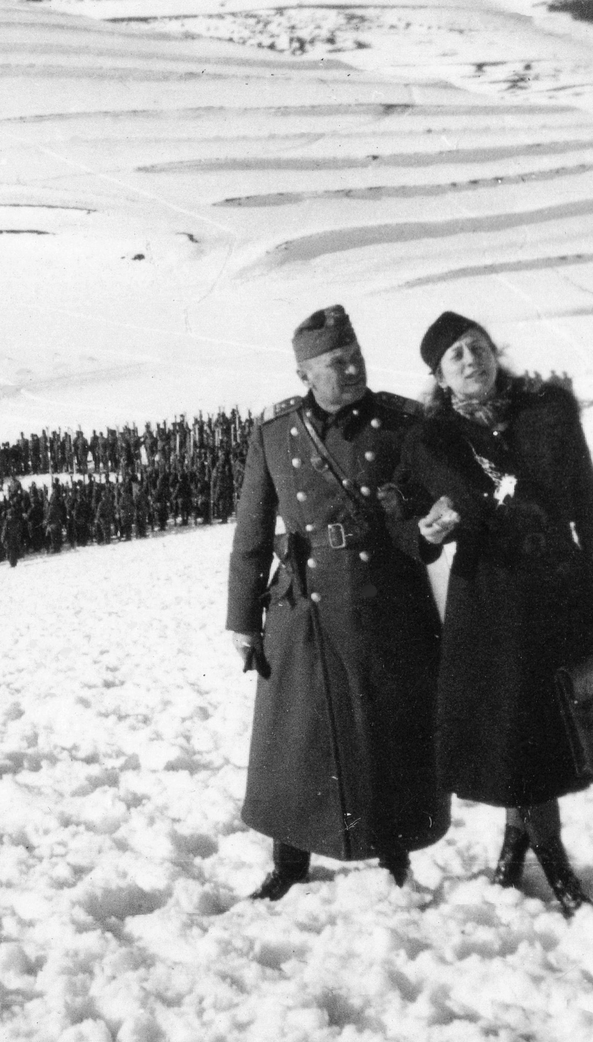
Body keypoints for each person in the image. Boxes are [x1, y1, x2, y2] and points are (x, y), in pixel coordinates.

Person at [401, 311, 593, 917]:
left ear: (495, 351)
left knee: (544, 734)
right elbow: (410, 519)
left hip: (557, 591)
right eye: (456, 357)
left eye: (477, 346)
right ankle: (551, 863)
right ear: (441, 378)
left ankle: (517, 847)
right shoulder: (432, 440)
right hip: (489, 602)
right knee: (513, 733)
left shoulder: (547, 412)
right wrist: (426, 530)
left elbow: (589, 505)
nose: (471, 360)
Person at [227, 304, 448, 900]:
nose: (352, 370)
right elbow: (251, 530)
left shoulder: (401, 422)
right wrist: (243, 620)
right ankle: (289, 861)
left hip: (385, 595)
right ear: (305, 374)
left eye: (356, 357)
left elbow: (423, 517)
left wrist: (426, 533)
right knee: (295, 736)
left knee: (388, 727)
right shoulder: (274, 432)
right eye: (336, 363)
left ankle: (395, 852)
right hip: (304, 602)